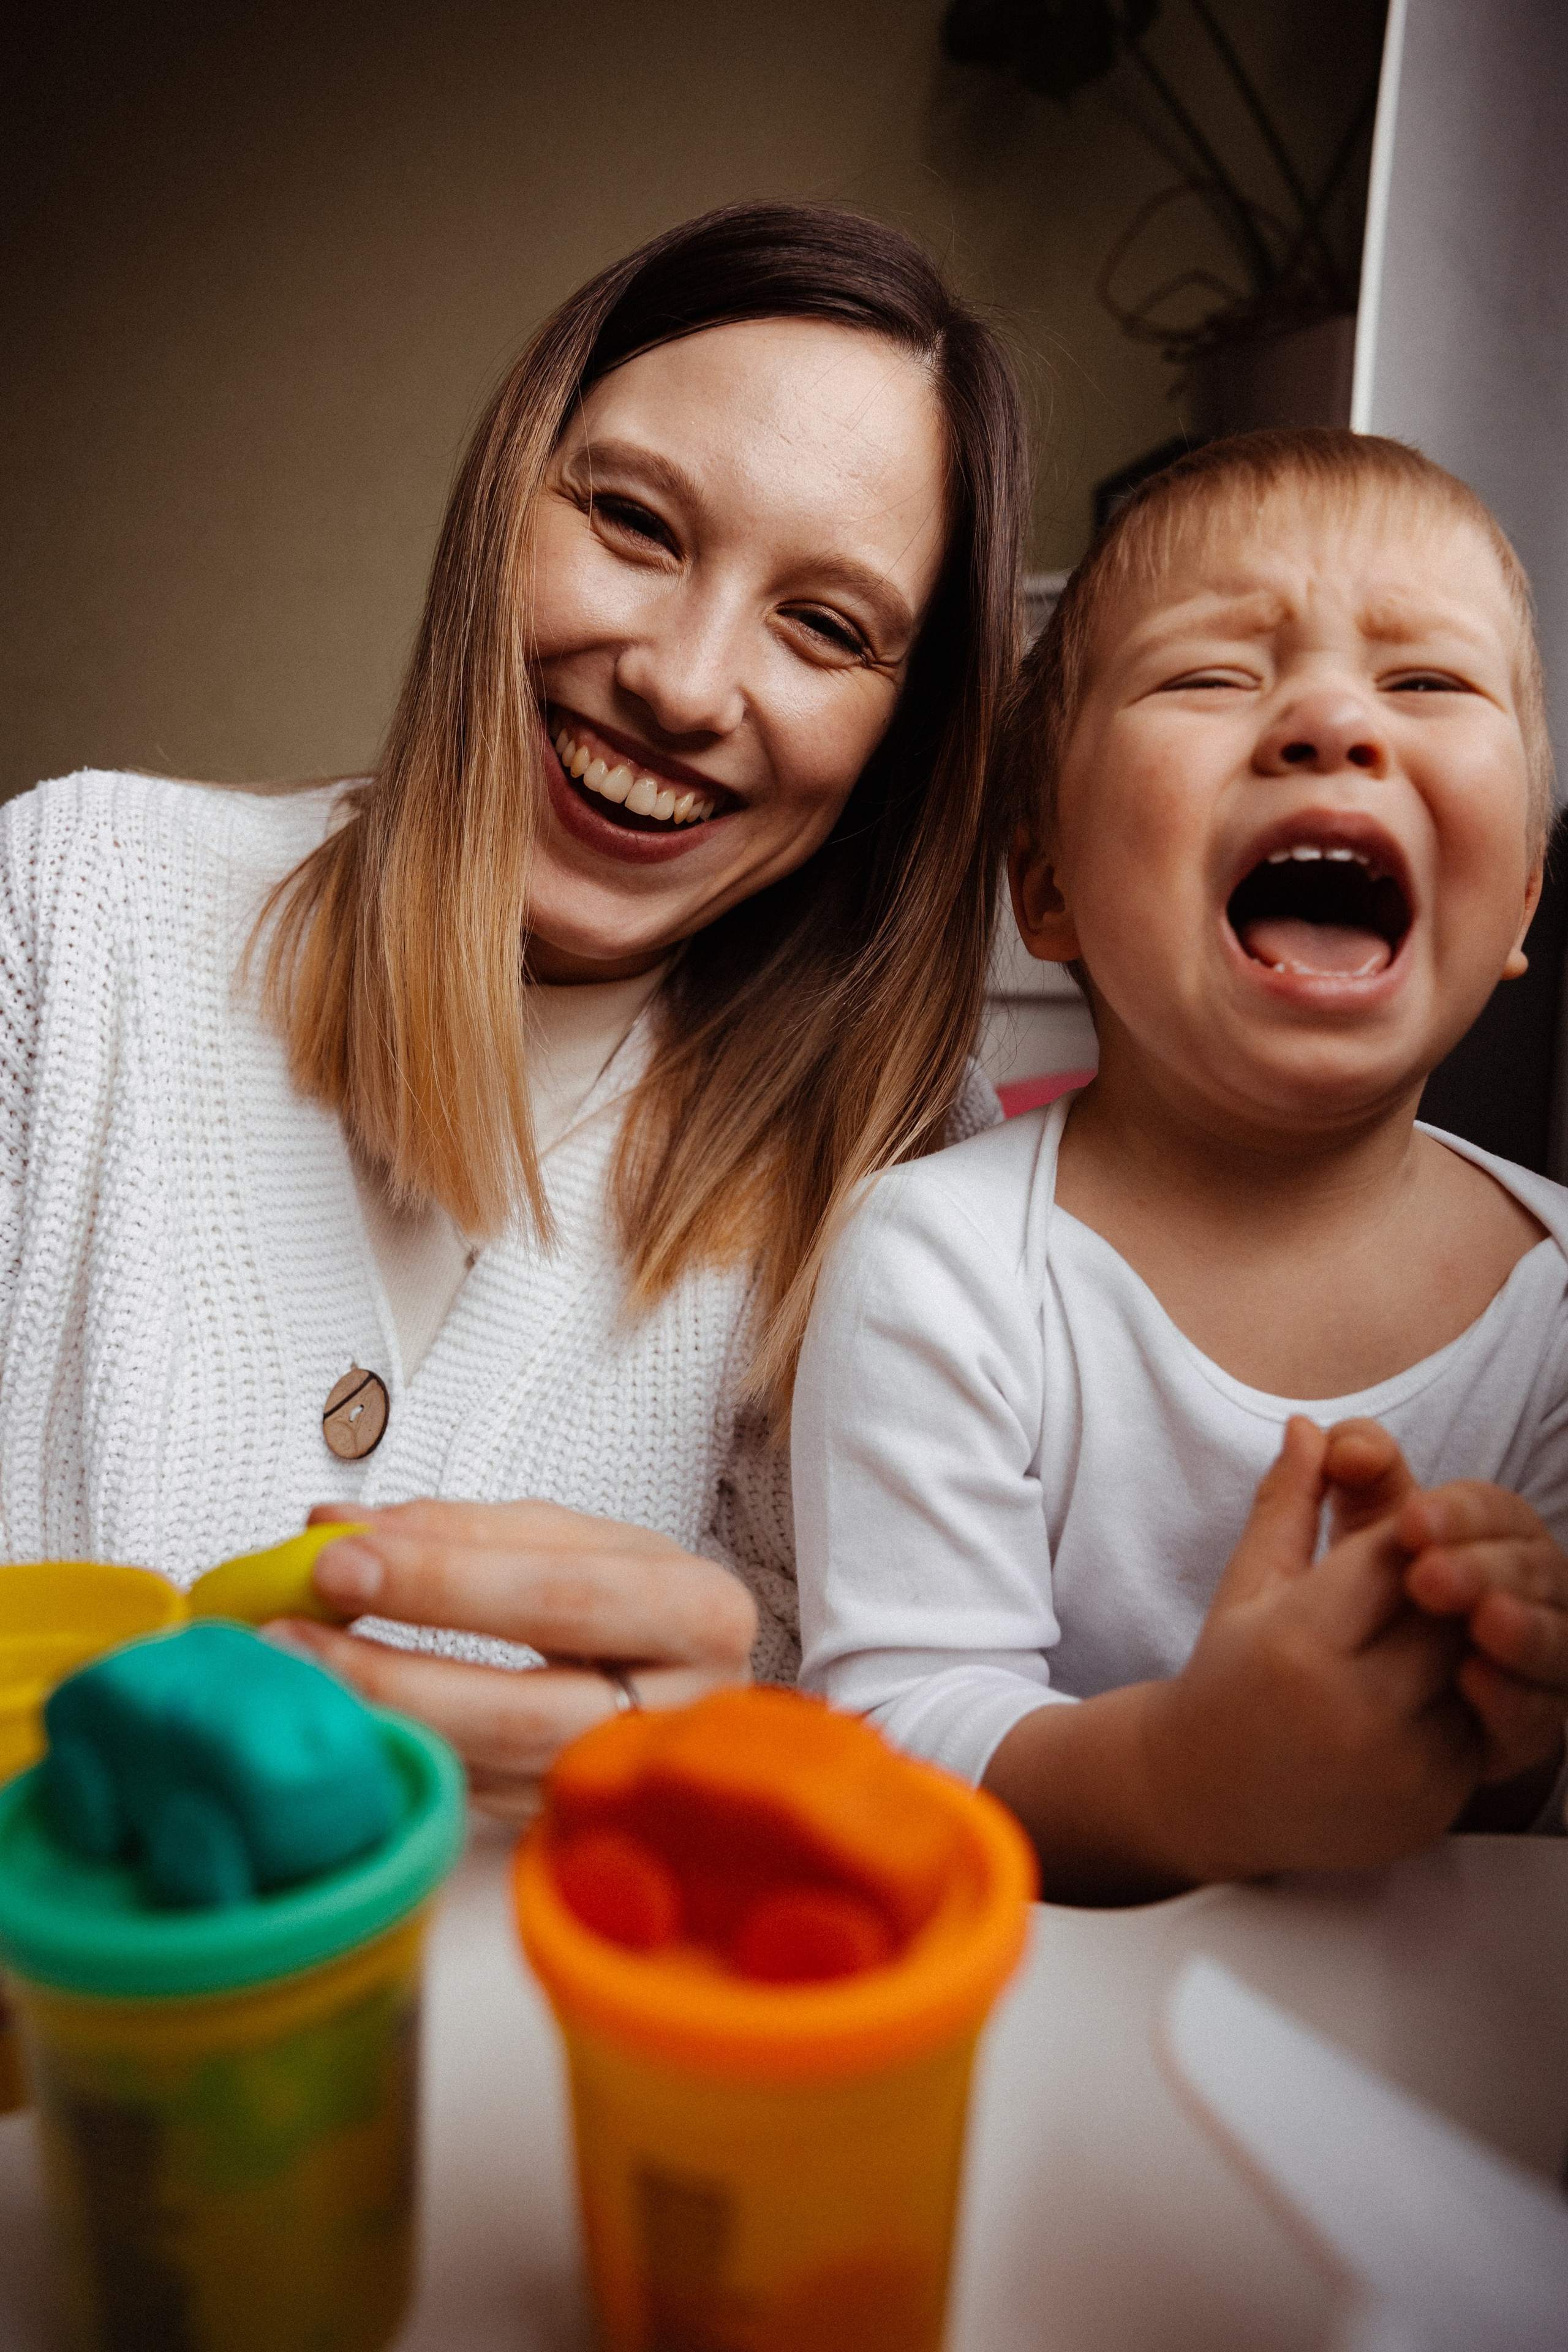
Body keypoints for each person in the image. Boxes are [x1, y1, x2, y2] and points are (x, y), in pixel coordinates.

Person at [0, 201, 1028, 1815]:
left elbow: (934, 1804)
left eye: (825, 628)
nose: (685, 685)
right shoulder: (70, 910)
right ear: (505, 498)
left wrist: (742, 1768)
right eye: (634, 523)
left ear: (909, 733)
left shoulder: (917, 1172)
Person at [795, 428, 1568, 1902]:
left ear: (1520, 893)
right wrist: (1182, 1781)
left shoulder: (1556, 1314)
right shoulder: (935, 1265)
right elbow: (895, 1738)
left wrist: (1512, 1729)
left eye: (1426, 683)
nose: (1331, 720)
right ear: (1046, 888)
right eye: (1212, 675)